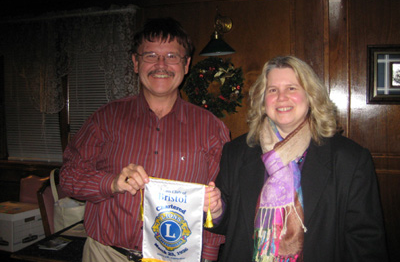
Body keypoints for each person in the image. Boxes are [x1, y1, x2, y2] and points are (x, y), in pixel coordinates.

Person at [60, 17, 230, 262]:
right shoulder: (104, 119)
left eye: (172, 56)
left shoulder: (212, 128)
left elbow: (218, 201)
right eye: (150, 55)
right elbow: (67, 178)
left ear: (186, 65)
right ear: (135, 62)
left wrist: (209, 257)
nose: (161, 65)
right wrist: (112, 182)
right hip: (107, 255)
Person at [205, 56, 388, 261]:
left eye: (292, 88)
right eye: (272, 90)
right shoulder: (236, 152)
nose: (281, 97)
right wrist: (218, 210)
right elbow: (226, 224)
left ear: (311, 96)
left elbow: (365, 244)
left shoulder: (350, 160)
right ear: (263, 100)